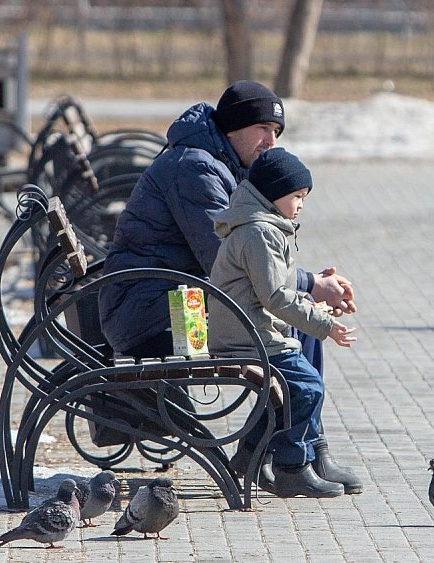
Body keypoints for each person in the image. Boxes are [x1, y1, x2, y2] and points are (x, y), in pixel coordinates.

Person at [97, 80, 360, 492]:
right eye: (263, 129)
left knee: (301, 320)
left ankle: (303, 448)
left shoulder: (221, 163)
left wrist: (309, 288)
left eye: (276, 132)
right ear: (233, 128)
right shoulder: (196, 168)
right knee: (293, 322)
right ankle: (290, 457)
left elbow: (249, 261)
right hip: (151, 314)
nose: (271, 142)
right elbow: (225, 257)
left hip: (171, 301)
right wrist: (311, 284)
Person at [209, 147, 358, 498]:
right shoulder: (259, 233)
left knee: (289, 388)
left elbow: (273, 289)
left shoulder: (264, 227)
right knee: (306, 387)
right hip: (249, 337)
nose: (301, 204)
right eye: (297, 196)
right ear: (273, 194)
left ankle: (250, 454)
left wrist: (313, 308)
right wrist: (323, 326)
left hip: (249, 330)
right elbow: (275, 296)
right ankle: (293, 468)